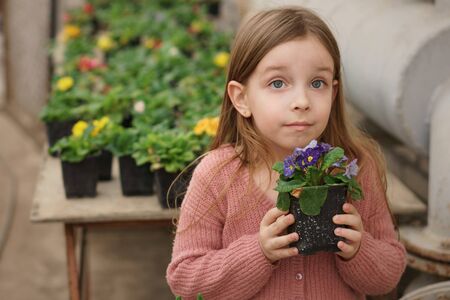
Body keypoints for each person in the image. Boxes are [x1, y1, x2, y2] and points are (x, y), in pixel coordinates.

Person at [166, 6, 406, 299]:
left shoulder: (354, 167)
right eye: (278, 83)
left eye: (317, 83)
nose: (302, 101)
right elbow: (185, 279)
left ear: (333, 93)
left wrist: (358, 249)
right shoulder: (218, 174)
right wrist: (259, 251)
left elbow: (389, 273)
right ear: (241, 98)